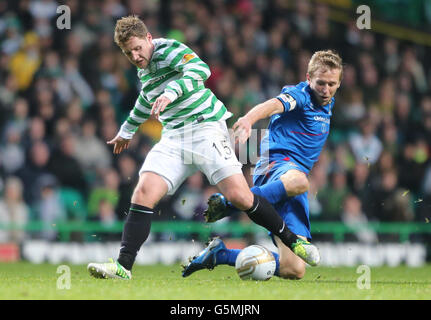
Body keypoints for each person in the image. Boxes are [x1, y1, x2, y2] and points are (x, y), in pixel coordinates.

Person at [87, 15, 319, 280]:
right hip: (175, 136)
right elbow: (146, 98)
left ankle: (293, 241)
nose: (135, 56)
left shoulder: (169, 49)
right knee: (143, 192)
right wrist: (126, 130)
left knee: (240, 197)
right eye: (129, 53)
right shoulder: (144, 70)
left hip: (206, 128)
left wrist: (171, 92)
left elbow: (200, 70)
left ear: (148, 38)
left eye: (138, 48)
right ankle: (123, 266)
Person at [182, 50, 343, 280]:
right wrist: (248, 119)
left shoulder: (327, 101)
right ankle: (229, 205)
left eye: (332, 84)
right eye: (320, 83)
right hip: (275, 165)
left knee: (294, 270)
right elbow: (273, 105)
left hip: (291, 181)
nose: (326, 90)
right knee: (301, 181)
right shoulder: (300, 95)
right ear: (308, 79)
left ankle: (220, 255)